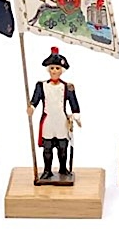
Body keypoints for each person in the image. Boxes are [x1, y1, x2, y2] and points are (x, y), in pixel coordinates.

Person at [27, 47, 81, 180]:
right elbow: (35, 99)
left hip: (61, 122)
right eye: (52, 68)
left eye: (57, 68)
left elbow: (74, 103)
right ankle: (47, 170)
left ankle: (63, 169)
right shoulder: (41, 86)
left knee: (63, 148)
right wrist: (32, 107)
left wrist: (76, 116)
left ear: (61, 70)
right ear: (48, 69)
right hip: (48, 122)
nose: (54, 71)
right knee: (47, 148)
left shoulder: (67, 87)